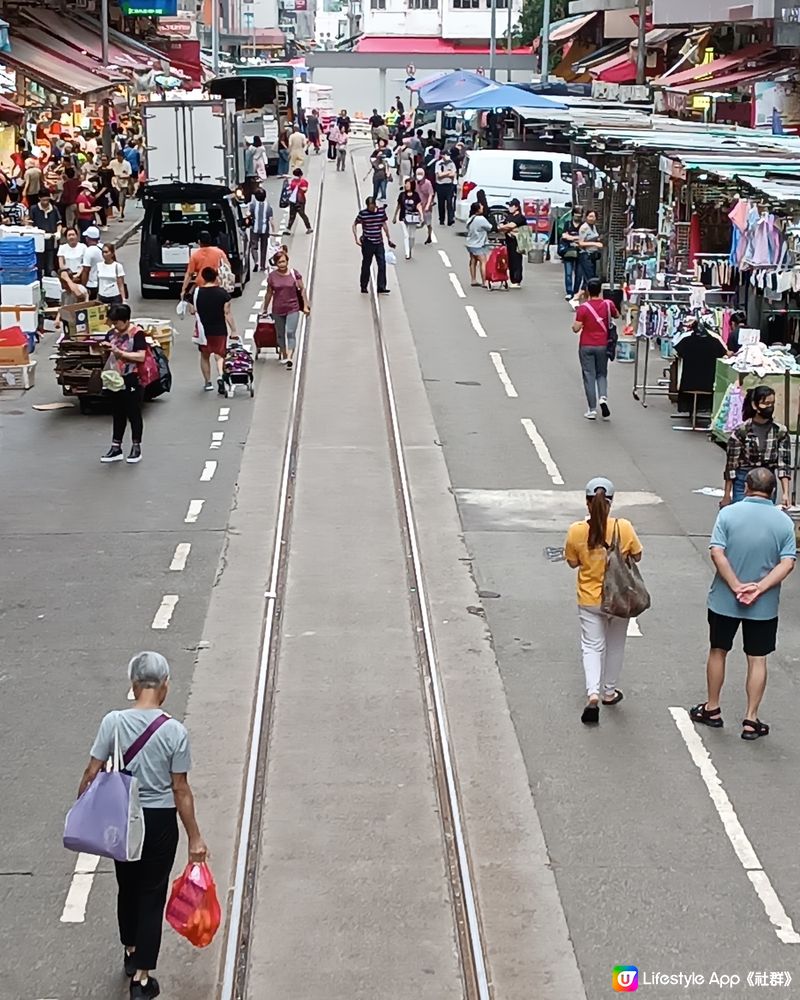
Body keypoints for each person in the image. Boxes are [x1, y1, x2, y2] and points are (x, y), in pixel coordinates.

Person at [77, 651, 207, 998]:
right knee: (152, 894)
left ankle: (131, 952)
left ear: (134, 685)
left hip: (121, 818)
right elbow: (180, 788)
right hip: (160, 821)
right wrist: (195, 837)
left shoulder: (112, 722)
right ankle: (143, 980)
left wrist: (83, 812)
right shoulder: (175, 732)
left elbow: (92, 772)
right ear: (165, 686)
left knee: (127, 885)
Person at [690, 467, 796, 740]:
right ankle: (751, 718)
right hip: (763, 605)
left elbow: (717, 552)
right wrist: (759, 588)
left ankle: (712, 708)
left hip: (725, 599)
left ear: (746, 487)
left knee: (718, 651)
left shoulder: (728, 514)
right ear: (773, 493)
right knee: (757, 658)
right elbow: (787, 561)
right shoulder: (783, 522)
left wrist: (736, 585)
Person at [565, 477, 643, 725]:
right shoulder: (624, 527)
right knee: (616, 645)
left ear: (588, 503)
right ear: (611, 502)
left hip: (589, 599)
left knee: (591, 646)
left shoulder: (577, 530)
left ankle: (593, 694)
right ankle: (609, 691)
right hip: (619, 597)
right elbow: (638, 556)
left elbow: (572, 562)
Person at [722, 386, 791, 507]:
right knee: (742, 515)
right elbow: (731, 466)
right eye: (766, 403)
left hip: (767, 480)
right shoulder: (741, 431)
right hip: (744, 479)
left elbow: (783, 465)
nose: (770, 407)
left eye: (772, 403)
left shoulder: (780, 431)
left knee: (764, 517)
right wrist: (727, 495)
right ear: (755, 405)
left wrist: (786, 493)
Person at [98, 304, 147, 464]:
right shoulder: (111, 334)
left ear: (126, 320)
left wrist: (121, 353)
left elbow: (141, 357)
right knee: (117, 412)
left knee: (133, 413)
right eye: (113, 323)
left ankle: (136, 447)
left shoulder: (137, 334)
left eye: (117, 323)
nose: (115, 326)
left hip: (132, 377)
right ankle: (116, 447)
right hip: (115, 377)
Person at [572, 277, 618, 421]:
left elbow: (576, 328)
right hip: (603, 345)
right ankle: (603, 397)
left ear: (587, 292)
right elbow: (616, 315)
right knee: (602, 374)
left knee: (589, 376)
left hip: (586, 345)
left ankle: (592, 409)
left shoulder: (584, 308)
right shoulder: (608, 304)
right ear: (600, 290)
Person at [193, 265, 237, 392]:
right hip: (219, 330)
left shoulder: (197, 293)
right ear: (216, 277)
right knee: (220, 355)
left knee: (205, 356)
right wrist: (233, 330)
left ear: (203, 278)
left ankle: (208, 383)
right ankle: (220, 375)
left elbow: (192, 310)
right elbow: (227, 313)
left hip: (203, 331)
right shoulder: (223, 293)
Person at [264, 249, 310, 371]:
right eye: (279, 262)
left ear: (287, 261)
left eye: (284, 262)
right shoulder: (272, 277)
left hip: (293, 308)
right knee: (280, 334)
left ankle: (289, 357)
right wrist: (264, 308)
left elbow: (302, 289)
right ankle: (284, 353)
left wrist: (305, 305)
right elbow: (269, 293)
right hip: (278, 309)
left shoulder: (294, 274)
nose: (282, 264)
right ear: (276, 263)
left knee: (290, 332)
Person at [353, 196, 395, 294]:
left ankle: (381, 286)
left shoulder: (381, 212)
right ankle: (363, 286)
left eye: (372, 206)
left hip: (379, 242)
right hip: (368, 243)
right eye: (369, 207)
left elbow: (384, 225)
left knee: (382, 264)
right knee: (366, 264)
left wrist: (388, 238)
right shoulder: (363, 214)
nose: (371, 208)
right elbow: (354, 224)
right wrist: (356, 238)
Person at [180, 231, 230, 299]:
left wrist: (183, 290)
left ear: (199, 241)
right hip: (217, 284)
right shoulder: (219, 252)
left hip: (201, 286)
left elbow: (189, 274)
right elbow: (227, 266)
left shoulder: (195, 255)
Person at [30, 189, 61, 276]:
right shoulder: (34, 209)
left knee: (49, 266)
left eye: (47, 200)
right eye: (43, 200)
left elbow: (59, 223)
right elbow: (30, 224)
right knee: (38, 265)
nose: (46, 202)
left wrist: (58, 232)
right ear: (39, 198)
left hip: (51, 241)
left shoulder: (54, 209)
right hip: (39, 241)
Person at [574, 209, 603, 302]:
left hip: (592, 255)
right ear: (586, 217)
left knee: (589, 278)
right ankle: (577, 297)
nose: (592, 218)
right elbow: (580, 243)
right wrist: (595, 244)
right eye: (590, 216)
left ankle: (586, 299)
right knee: (590, 279)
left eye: (594, 216)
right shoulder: (584, 228)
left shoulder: (593, 227)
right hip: (585, 255)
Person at [498, 198, 525, 288]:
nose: (509, 208)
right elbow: (501, 225)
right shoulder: (509, 216)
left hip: (517, 242)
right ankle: (512, 279)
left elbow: (512, 225)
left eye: (511, 206)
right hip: (508, 241)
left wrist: (507, 228)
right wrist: (507, 229)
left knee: (517, 260)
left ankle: (517, 280)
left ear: (516, 207)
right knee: (510, 261)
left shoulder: (520, 217)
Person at [393, 177, 422, 261]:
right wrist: (395, 216)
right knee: (406, 235)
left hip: (413, 218)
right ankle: (407, 253)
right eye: (405, 184)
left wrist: (421, 215)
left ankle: (410, 248)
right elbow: (398, 206)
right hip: (403, 217)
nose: (406, 186)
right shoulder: (402, 195)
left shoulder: (416, 195)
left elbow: (418, 205)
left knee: (412, 237)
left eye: (408, 184)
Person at [558, 207, 583, 301]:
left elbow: (584, 237)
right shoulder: (567, 224)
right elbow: (564, 235)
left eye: (580, 214)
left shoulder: (584, 225)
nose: (578, 216)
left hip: (580, 251)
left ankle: (576, 292)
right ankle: (569, 292)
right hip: (568, 251)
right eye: (576, 214)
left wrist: (570, 237)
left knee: (579, 274)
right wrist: (576, 238)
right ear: (573, 214)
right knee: (568, 273)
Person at [464, 202, 492, 286]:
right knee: (483, 262)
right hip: (478, 244)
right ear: (478, 209)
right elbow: (489, 227)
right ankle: (484, 282)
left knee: (473, 261)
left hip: (470, 243)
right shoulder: (481, 219)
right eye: (481, 206)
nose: (482, 207)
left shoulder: (471, 218)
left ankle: (473, 279)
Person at [58, 226, 87, 304]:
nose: (71, 237)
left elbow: (84, 263)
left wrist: (78, 274)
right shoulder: (62, 247)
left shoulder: (83, 247)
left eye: (73, 234)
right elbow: (61, 264)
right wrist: (67, 276)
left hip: (79, 275)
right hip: (67, 275)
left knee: (79, 295)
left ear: (77, 236)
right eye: (69, 235)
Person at [248, 188, 275, 271]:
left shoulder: (253, 205)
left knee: (253, 247)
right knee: (264, 248)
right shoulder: (268, 207)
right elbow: (271, 220)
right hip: (265, 230)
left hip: (255, 229)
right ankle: (263, 266)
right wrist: (273, 231)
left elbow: (249, 214)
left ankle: (256, 262)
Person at [283, 168, 313, 236]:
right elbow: (305, 190)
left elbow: (303, 189)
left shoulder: (298, 181)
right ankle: (308, 228)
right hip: (297, 200)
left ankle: (289, 229)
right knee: (298, 215)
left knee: (297, 214)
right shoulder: (302, 181)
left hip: (297, 201)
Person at [80, 226, 104, 300]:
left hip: (92, 285)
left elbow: (86, 271)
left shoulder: (89, 251)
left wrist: (83, 287)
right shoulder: (104, 247)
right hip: (103, 282)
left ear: (87, 238)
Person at [434, 150, 457, 227]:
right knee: (441, 203)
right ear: (442, 155)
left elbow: (453, 174)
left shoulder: (451, 163)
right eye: (446, 155)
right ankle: (441, 219)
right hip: (440, 185)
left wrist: (445, 174)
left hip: (449, 185)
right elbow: (439, 175)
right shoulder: (438, 164)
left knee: (450, 202)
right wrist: (448, 172)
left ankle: (450, 219)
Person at [415, 167, 435, 245]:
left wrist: (428, 205)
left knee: (428, 223)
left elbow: (430, 194)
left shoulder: (428, 183)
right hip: (418, 206)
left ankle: (429, 236)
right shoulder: (415, 183)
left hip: (426, 206)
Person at [111, 150, 132, 220]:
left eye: (120, 157)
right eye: (118, 156)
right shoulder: (113, 163)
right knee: (116, 198)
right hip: (114, 183)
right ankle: (120, 210)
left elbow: (129, 174)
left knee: (122, 198)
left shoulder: (127, 164)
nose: (119, 158)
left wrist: (122, 176)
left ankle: (121, 212)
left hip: (124, 183)